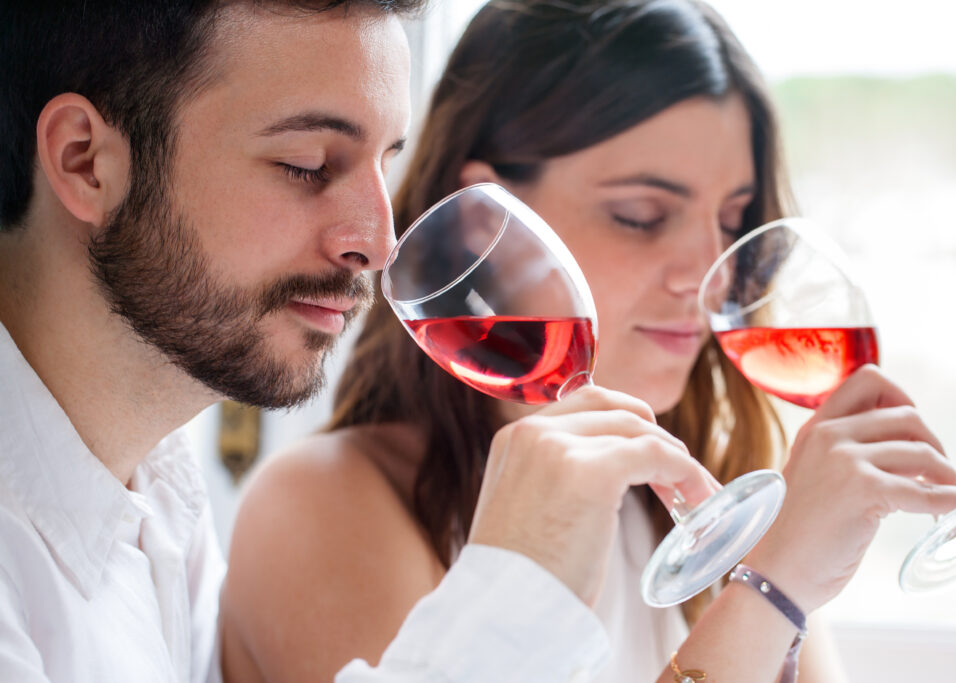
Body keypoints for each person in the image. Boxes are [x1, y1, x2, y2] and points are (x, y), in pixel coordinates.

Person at [220, 1, 956, 682]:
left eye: (732, 219)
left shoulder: (704, 492)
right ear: (488, 222)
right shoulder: (323, 506)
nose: (704, 274)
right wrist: (773, 590)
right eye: (643, 215)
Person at [0, 2, 722, 682]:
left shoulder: (155, 497)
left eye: (386, 165)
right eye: (308, 165)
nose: (379, 245)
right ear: (85, 160)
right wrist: (515, 588)